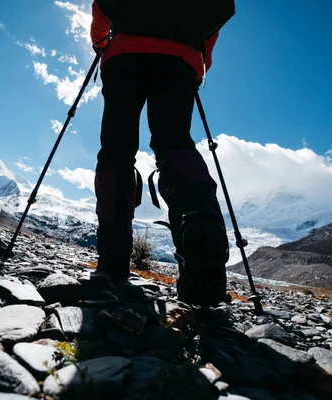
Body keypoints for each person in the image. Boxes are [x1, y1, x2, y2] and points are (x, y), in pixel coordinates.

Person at [90, 0, 232, 306]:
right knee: (175, 143)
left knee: (116, 150)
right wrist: (200, 60)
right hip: (179, 61)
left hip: (123, 57)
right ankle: (202, 256)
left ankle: (111, 266)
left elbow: (102, 7)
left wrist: (100, 42)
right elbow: (212, 21)